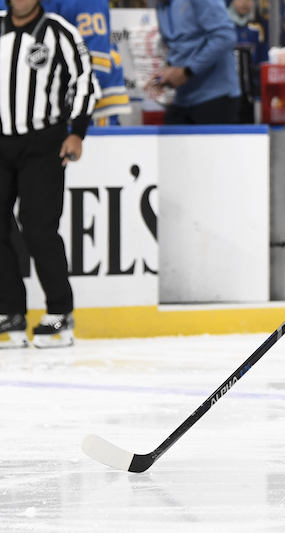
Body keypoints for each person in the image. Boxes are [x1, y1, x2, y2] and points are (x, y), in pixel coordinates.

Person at [0, 0, 99, 348]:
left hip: (44, 143)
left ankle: (60, 311)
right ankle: (9, 312)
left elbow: (86, 80)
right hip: (1, 142)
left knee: (38, 225)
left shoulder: (59, 32)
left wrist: (78, 131)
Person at [146, 0, 241, 125]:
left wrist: (187, 72)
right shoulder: (162, 5)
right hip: (184, 99)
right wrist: (167, 74)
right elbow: (176, 46)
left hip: (215, 97)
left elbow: (225, 37)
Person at [41, 0, 132, 126]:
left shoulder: (86, 2)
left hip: (96, 98)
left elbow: (96, 62)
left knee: (97, 144)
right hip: (58, 97)